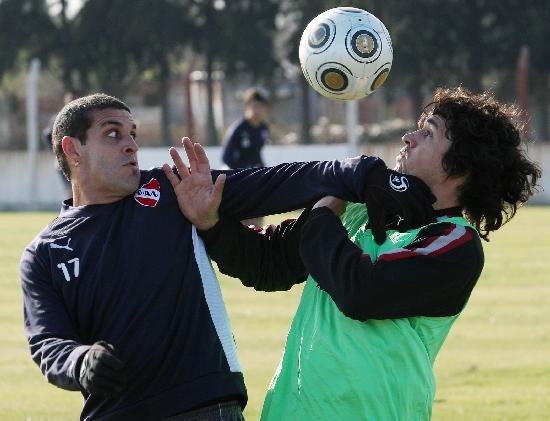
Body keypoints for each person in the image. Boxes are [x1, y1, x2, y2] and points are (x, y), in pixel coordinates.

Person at [19, 93, 434, 420]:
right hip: (115, 413)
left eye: (133, 134)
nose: (130, 145)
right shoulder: (44, 253)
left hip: (207, 407)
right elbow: (48, 342)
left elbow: (272, 184)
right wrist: (81, 360)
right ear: (71, 149)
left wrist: (359, 174)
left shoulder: (170, 190)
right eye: (113, 134)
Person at [173, 87, 541, 420]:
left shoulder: (455, 244)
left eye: (428, 133)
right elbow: (269, 264)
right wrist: (212, 224)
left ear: (460, 167)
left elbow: (360, 291)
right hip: (290, 412)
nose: (408, 137)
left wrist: (325, 205)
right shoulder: (359, 209)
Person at [221, 87, 271, 227]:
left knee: (259, 214)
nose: (257, 110)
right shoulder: (239, 129)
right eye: (254, 106)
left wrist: (264, 171)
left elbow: (257, 153)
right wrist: (244, 171)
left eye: (260, 106)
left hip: (256, 178)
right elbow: (226, 157)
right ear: (247, 107)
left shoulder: (263, 128)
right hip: (240, 180)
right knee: (244, 219)